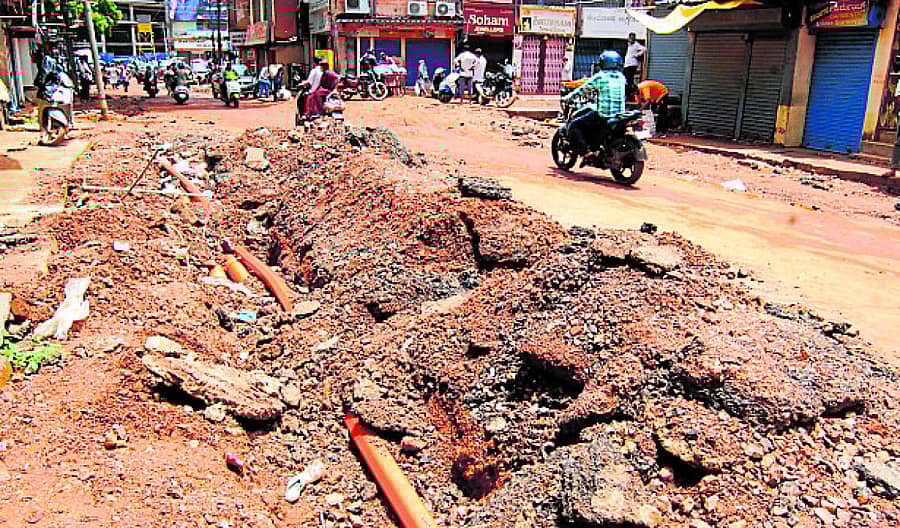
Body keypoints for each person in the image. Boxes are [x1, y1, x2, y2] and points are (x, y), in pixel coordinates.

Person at [560, 50, 626, 162]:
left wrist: (567, 98)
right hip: (619, 115)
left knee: (573, 125)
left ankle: (586, 152)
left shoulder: (600, 77)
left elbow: (582, 90)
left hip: (604, 115)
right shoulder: (621, 78)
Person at [624, 32, 645, 101]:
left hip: (632, 64)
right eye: (630, 38)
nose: (631, 39)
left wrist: (637, 55)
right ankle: (633, 93)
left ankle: (630, 96)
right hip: (627, 64)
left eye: (633, 38)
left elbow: (644, 49)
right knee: (628, 80)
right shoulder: (629, 45)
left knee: (629, 80)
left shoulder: (636, 44)